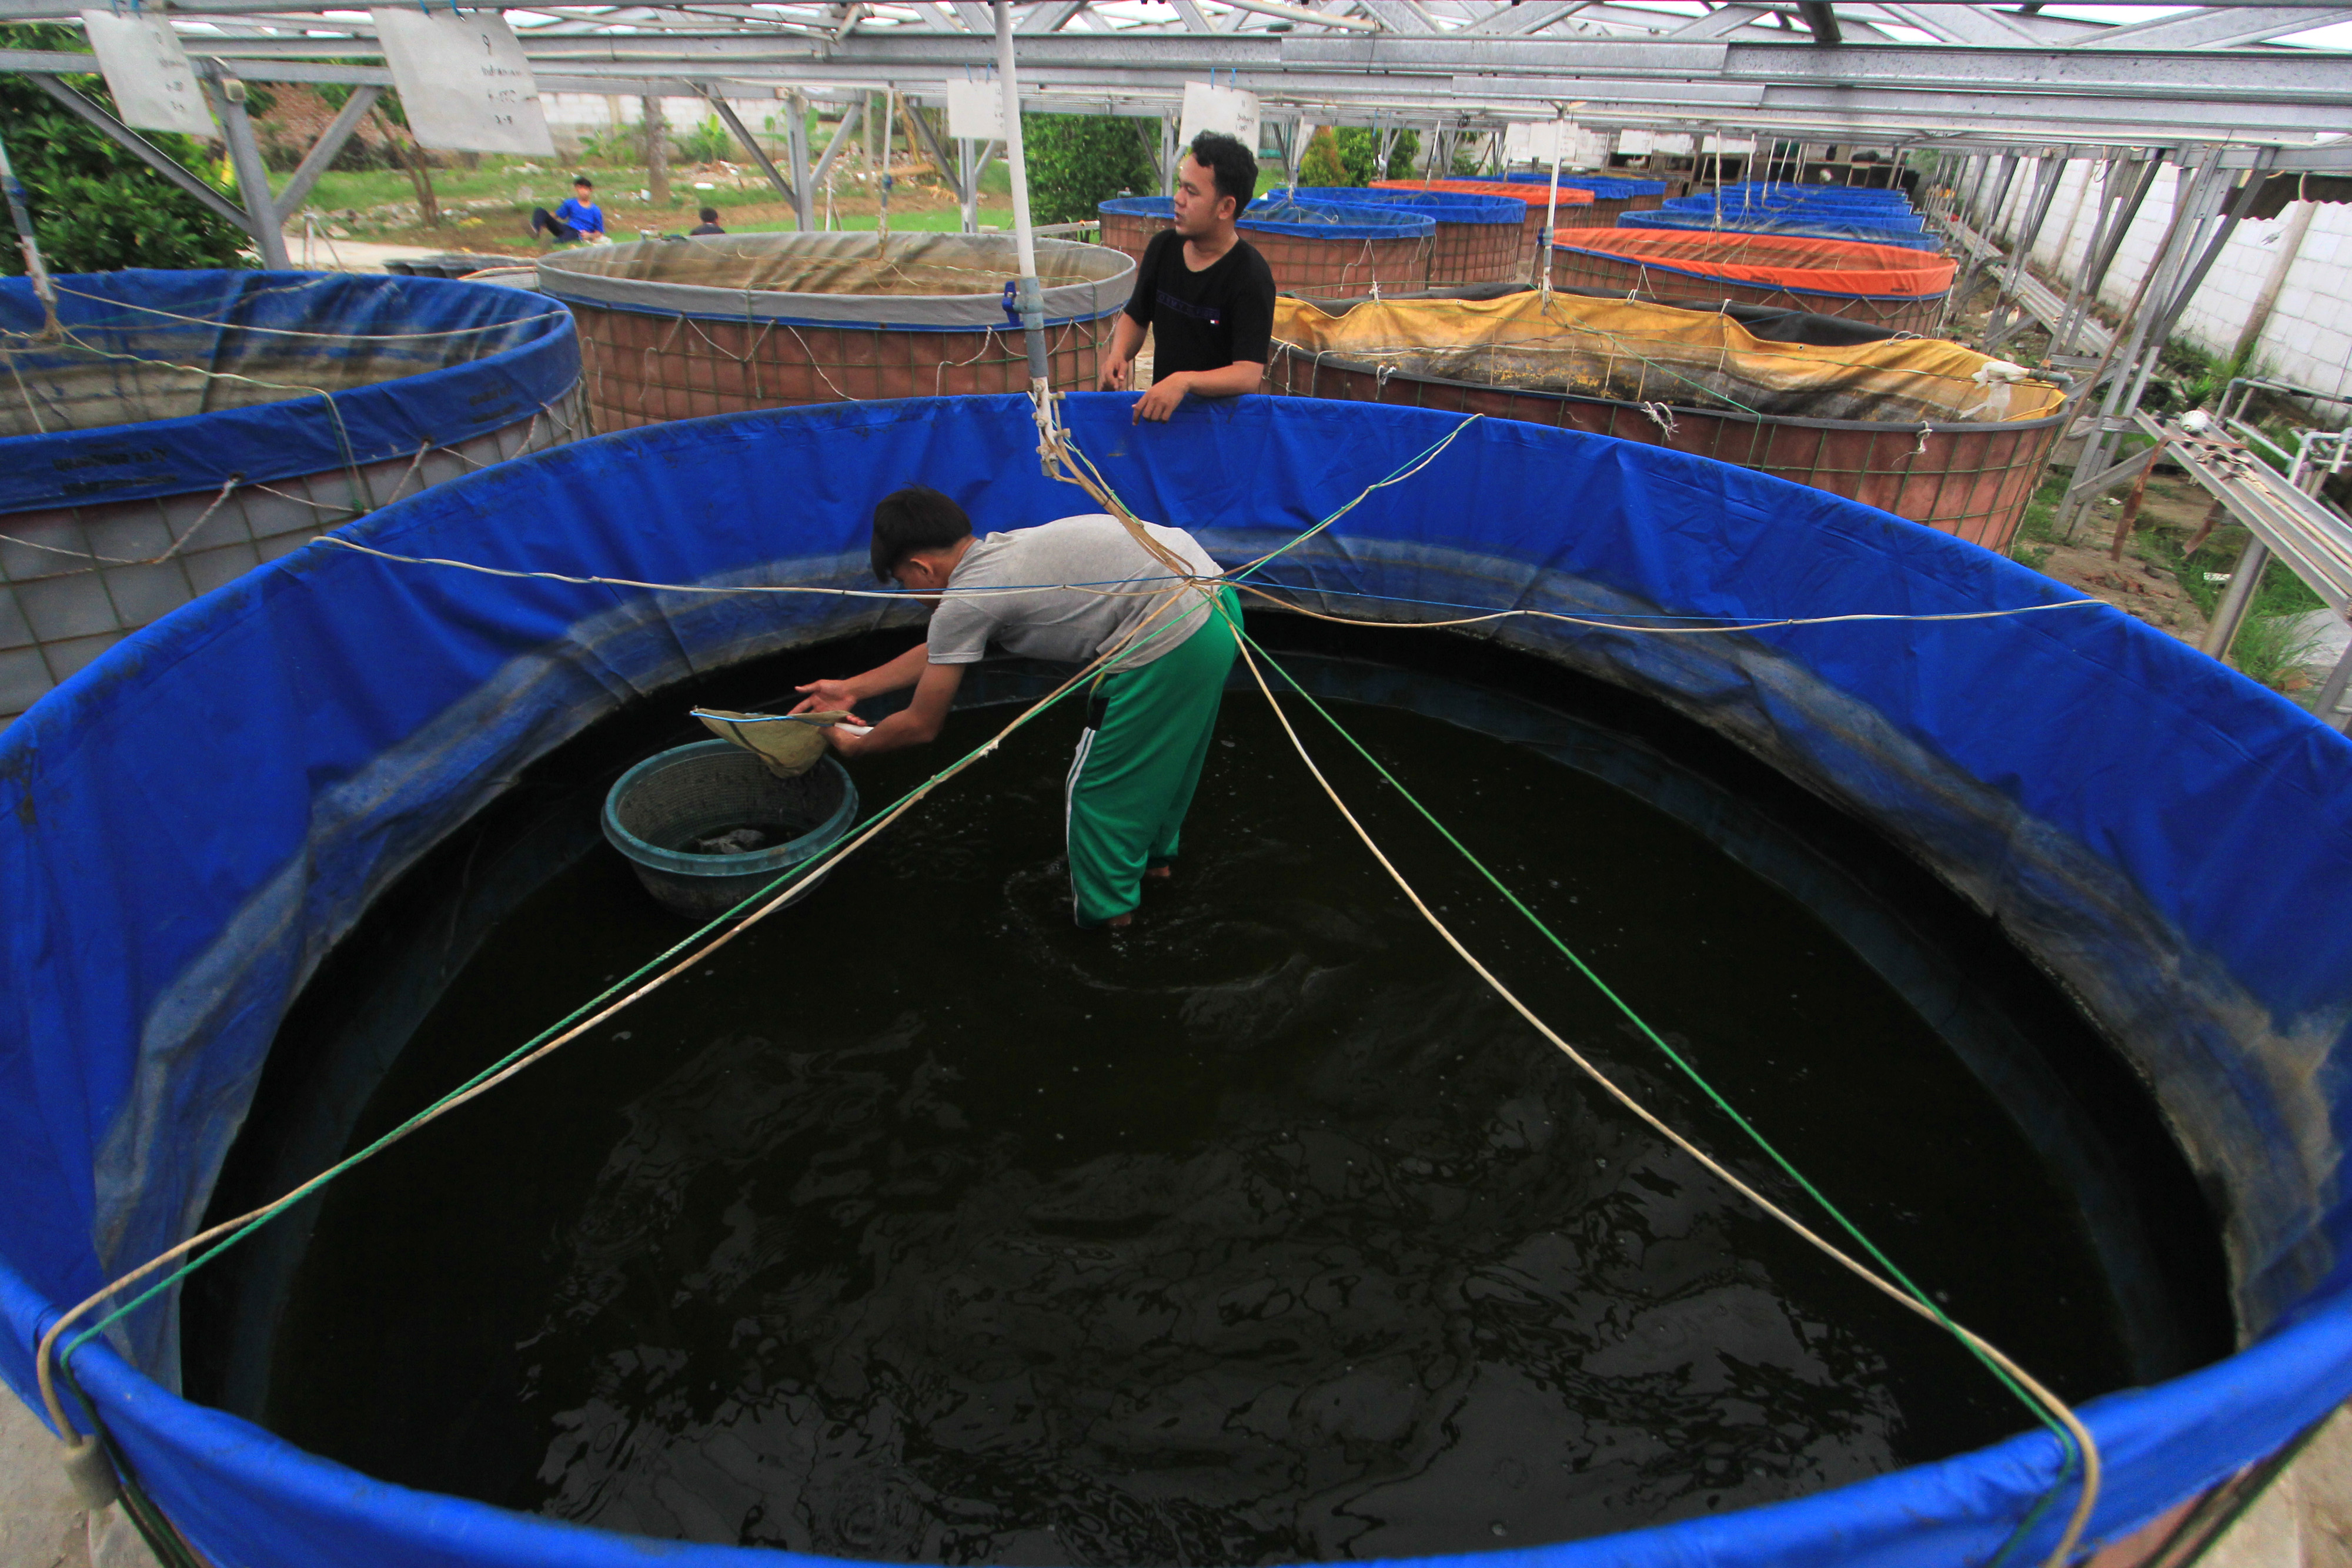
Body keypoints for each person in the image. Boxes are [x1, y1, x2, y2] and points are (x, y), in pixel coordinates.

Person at [790, 486, 1238, 931]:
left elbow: (922, 725)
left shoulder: (967, 599)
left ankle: (1112, 926)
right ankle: (1155, 869)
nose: (910, 593)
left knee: (1097, 794)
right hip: (1215, 602)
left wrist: (853, 746)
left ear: (920, 568)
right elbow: (943, 648)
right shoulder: (1001, 554)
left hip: (1172, 636)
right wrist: (851, 689)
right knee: (1166, 761)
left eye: (904, 583)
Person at [1099, 131, 1276, 424]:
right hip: (1165, 418)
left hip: (1221, 427)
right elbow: (1136, 315)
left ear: (1226, 207)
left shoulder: (1250, 276)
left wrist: (1185, 382)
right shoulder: (1163, 248)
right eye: (1181, 187)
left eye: (1192, 192)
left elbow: (1248, 373)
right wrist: (1119, 354)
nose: (1178, 199)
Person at [530, 176, 606, 244]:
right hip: (566, 228)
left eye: (586, 189)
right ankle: (535, 231)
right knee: (540, 211)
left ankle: (547, 243)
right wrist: (544, 221)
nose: (583, 191)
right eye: (580, 188)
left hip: (578, 233)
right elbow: (556, 215)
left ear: (590, 190)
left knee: (561, 240)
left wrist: (590, 235)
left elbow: (599, 232)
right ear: (576, 189)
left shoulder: (595, 210)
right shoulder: (570, 203)